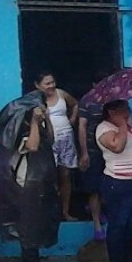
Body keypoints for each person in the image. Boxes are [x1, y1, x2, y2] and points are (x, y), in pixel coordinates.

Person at [0, 94, 62, 262]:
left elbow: (51, 139)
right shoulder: (22, 133)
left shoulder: (41, 127)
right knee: (29, 227)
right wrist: (34, 122)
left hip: (41, 185)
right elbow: (33, 145)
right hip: (26, 186)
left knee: (38, 225)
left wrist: (46, 119)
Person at [96, 100, 132, 262]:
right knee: (118, 223)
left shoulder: (128, 126)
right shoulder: (103, 129)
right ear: (112, 112)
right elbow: (117, 147)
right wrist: (121, 125)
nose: (128, 112)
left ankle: (130, 260)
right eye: (123, 110)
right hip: (117, 183)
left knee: (130, 223)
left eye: (127, 109)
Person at [34, 71, 79, 222]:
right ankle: (50, 213)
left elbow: (75, 104)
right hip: (47, 142)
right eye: (47, 83)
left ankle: (65, 212)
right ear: (37, 85)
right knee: (48, 177)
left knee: (65, 175)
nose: (51, 86)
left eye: (52, 82)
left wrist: (72, 119)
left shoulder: (61, 94)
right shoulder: (34, 100)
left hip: (66, 139)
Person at [77, 70, 111, 241]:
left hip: (111, 151)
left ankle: (99, 211)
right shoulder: (87, 100)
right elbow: (82, 126)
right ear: (94, 85)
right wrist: (84, 152)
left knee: (107, 188)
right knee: (93, 189)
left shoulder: (114, 100)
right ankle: (97, 226)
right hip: (93, 150)